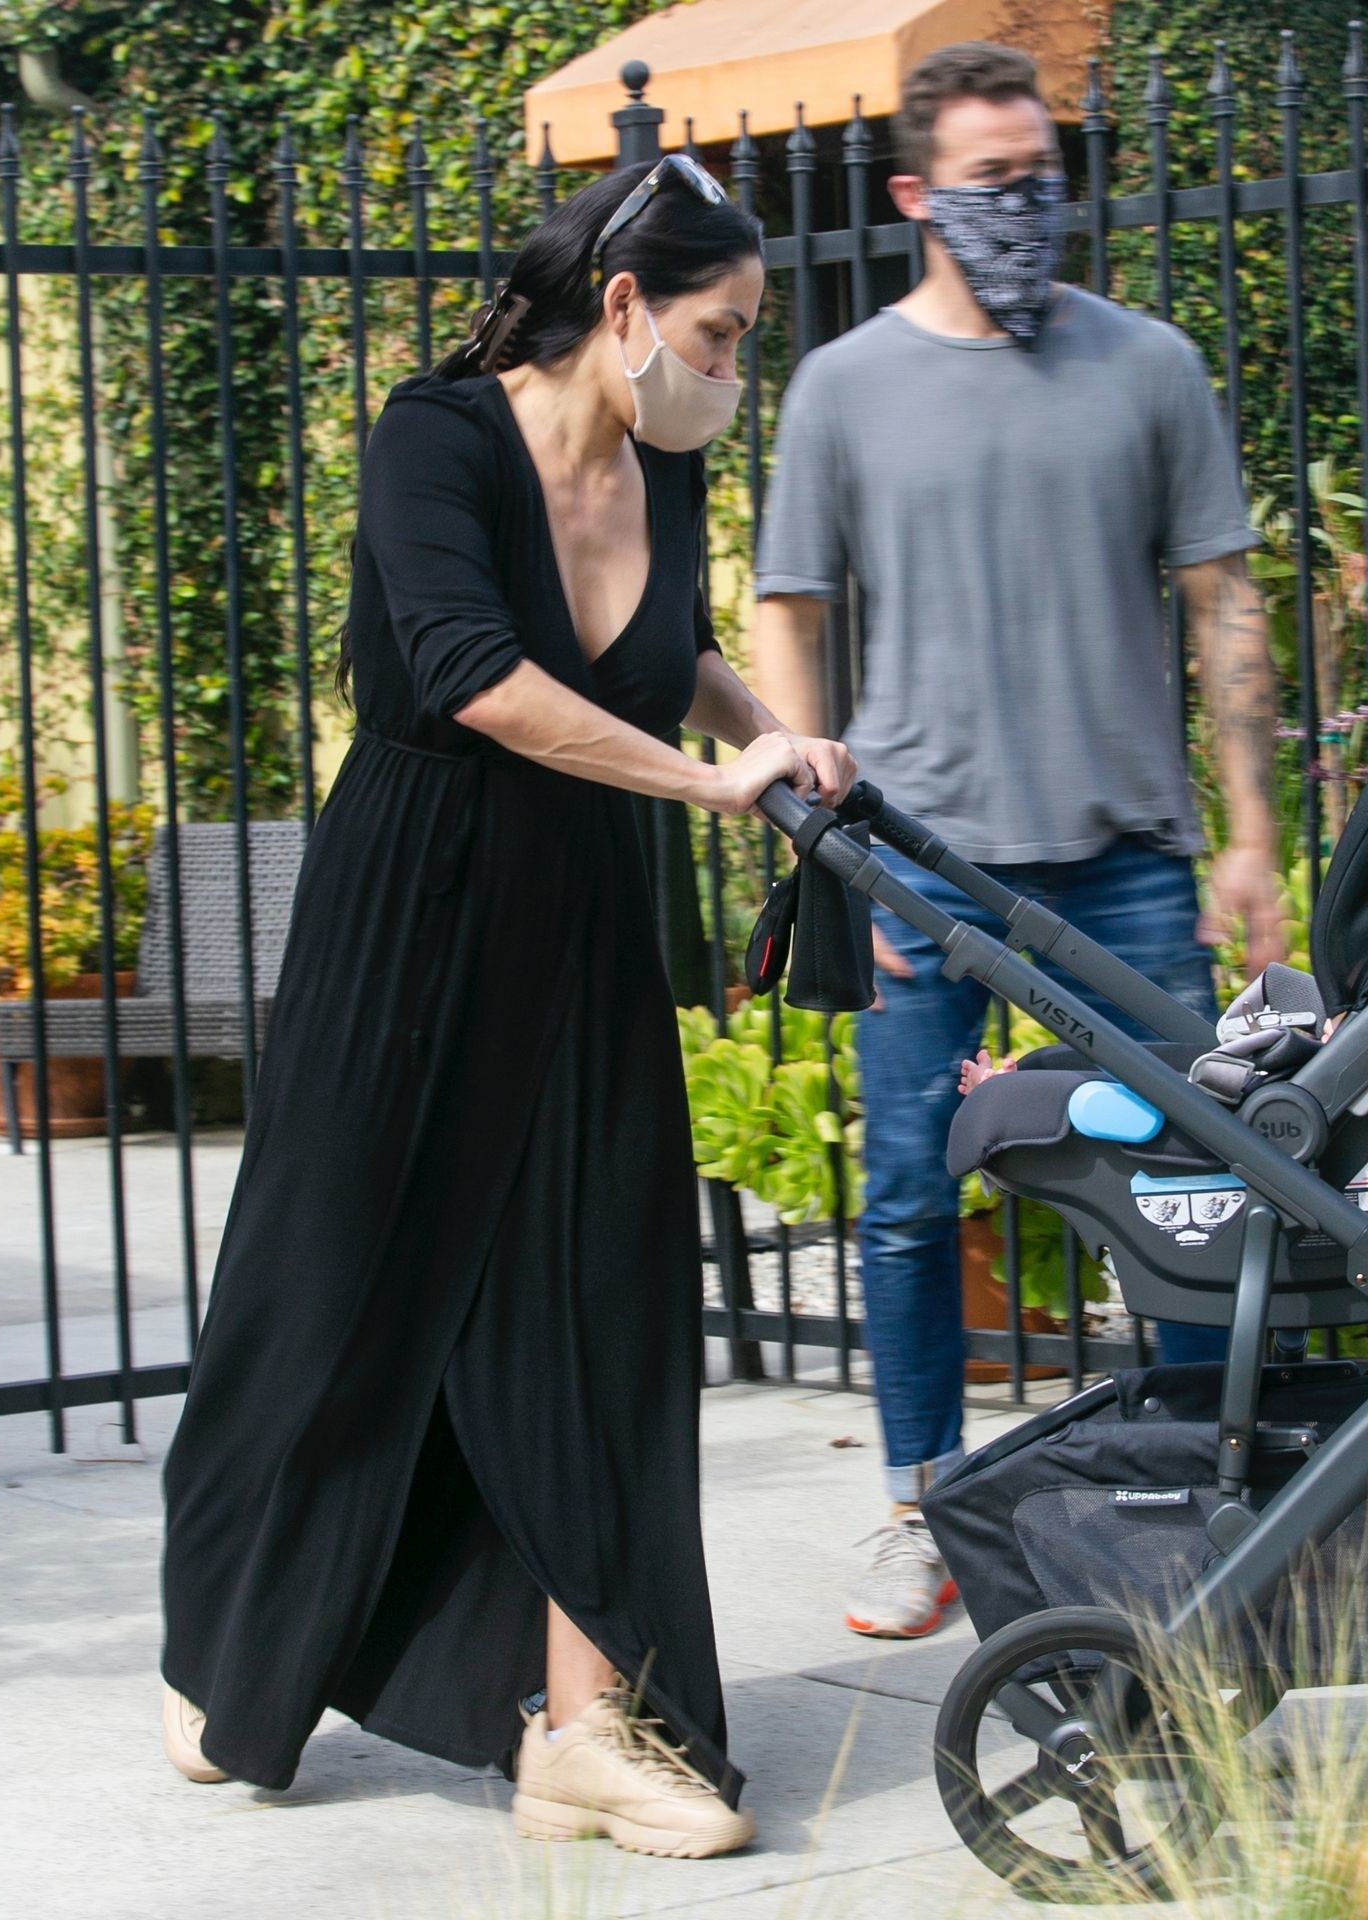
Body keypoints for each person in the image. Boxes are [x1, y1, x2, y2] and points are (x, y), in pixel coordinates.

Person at [159, 156, 855, 1859]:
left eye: (746, 339)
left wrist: (772, 737)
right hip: (412, 905)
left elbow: (663, 649)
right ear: (622, 308)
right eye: (720, 332)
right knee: (328, 1289)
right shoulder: (437, 440)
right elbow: (477, 678)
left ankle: (584, 1727)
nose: (734, 367)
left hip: (583, 915)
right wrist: (706, 786)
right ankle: (233, 1646)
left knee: (606, 1291)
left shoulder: (665, 460)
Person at [753, 41, 1283, 1640]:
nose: (1027, 206)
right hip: (917, 862)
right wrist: (822, 839)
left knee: (1195, 1186)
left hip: (1126, 856)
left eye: (1043, 176)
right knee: (911, 1198)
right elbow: (789, 615)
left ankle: (1203, 1507)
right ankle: (922, 1508)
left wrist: (1252, 836)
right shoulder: (843, 388)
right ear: (917, 194)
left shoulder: (1150, 367)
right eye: (992, 182)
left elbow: (1224, 601)